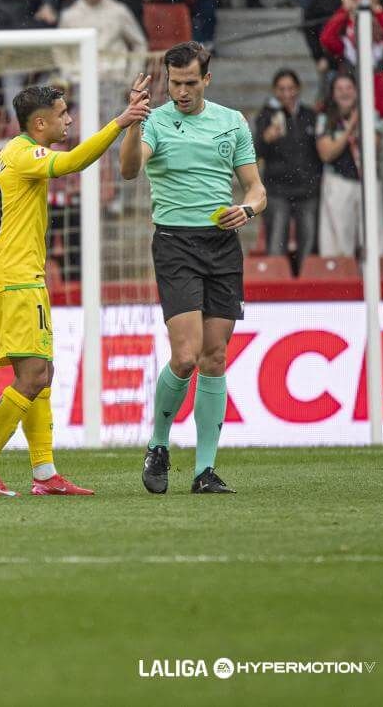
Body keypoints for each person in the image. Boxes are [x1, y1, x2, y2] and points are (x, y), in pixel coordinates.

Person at [0, 79, 151, 497]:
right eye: (63, 114)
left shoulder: (7, 156)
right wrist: (120, 122)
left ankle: (44, 474)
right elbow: (73, 163)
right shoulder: (24, 154)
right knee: (31, 376)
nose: (69, 120)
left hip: (12, 275)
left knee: (42, 373)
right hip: (16, 280)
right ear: (40, 122)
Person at [119, 41, 267, 495]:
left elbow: (256, 188)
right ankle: (159, 444)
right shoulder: (156, 122)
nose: (180, 91)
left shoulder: (231, 122)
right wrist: (132, 123)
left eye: (188, 83)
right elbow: (128, 171)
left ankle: (205, 471)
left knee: (215, 357)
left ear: (207, 78)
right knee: (185, 356)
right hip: (176, 243)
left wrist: (248, 210)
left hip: (222, 244)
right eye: (173, 82)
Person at [253, 69, 321, 273]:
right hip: (277, 190)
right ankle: (276, 286)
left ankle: (307, 288)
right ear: (275, 91)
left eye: (290, 88)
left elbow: (320, 152)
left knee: (309, 245)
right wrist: (266, 138)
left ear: (298, 89)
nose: (287, 93)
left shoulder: (310, 115)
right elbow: (255, 152)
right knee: (276, 244)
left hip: (307, 189)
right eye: (282, 89)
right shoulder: (266, 116)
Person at [316, 71, 383, 255]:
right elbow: (326, 153)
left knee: (372, 237)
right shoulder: (326, 119)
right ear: (333, 93)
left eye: (349, 88)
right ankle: (341, 278)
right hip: (339, 181)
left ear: (357, 91)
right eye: (339, 89)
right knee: (339, 240)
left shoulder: (371, 114)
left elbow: (374, 146)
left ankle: (373, 279)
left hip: (367, 181)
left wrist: (360, 121)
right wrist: (350, 128)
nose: (344, 93)